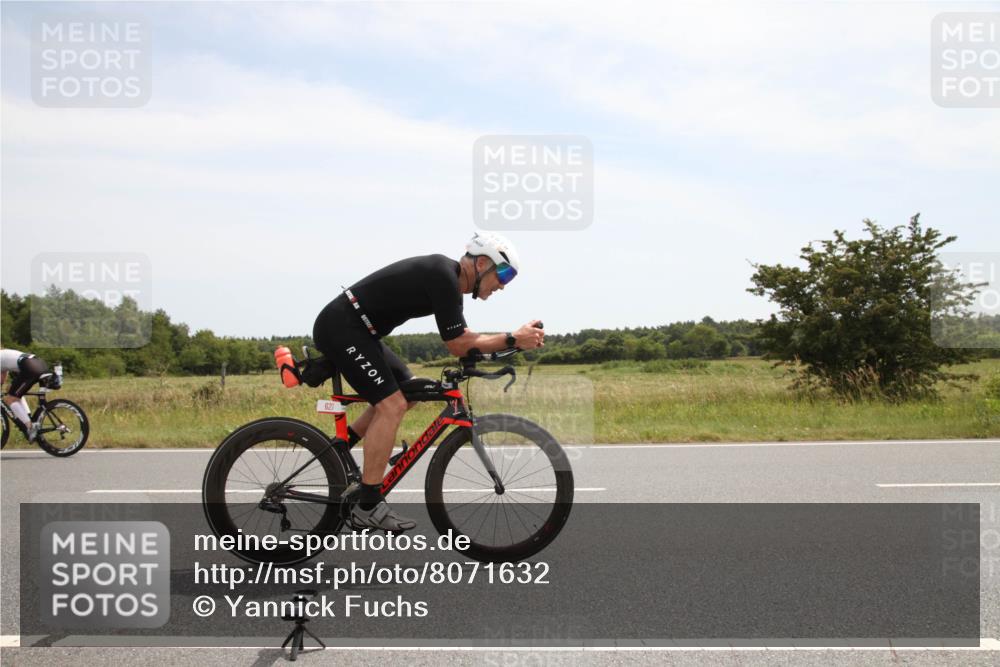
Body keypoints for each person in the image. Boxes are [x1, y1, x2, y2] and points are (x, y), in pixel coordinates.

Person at [312, 232, 545, 531]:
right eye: (504, 274)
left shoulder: (448, 281)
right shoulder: (443, 276)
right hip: (342, 327)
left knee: (409, 391)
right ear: (483, 262)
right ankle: (368, 504)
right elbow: (459, 343)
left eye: (508, 278)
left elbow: (467, 338)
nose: (502, 284)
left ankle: (339, 452)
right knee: (391, 405)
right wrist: (513, 337)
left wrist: (505, 345)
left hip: (357, 330)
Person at [0, 348, 50, 442]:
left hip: (30, 367)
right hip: (39, 363)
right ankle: (28, 418)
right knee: (13, 392)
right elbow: (2, 378)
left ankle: (30, 427)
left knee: (10, 399)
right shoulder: (3, 354)